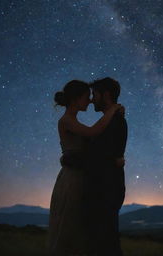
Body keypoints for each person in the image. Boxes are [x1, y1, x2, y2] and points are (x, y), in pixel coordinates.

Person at [48, 80, 124, 256]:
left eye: (92, 97)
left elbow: (93, 146)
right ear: (75, 99)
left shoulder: (74, 121)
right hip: (72, 179)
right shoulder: (67, 120)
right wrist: (112, 110)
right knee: (70, 226)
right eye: (86, 97)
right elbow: (93, 133)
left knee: (79, 228)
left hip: (80, 177)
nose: (90, 101)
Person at [85, 77, 128, 256]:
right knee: (103, 242)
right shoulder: (111, 120)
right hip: (105, 188)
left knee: (106, 244)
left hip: (106, 190)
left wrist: (70, 158)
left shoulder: (115, 122)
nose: (92, 99)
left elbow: (101, 156)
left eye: (95, 94)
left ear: (106, 95)